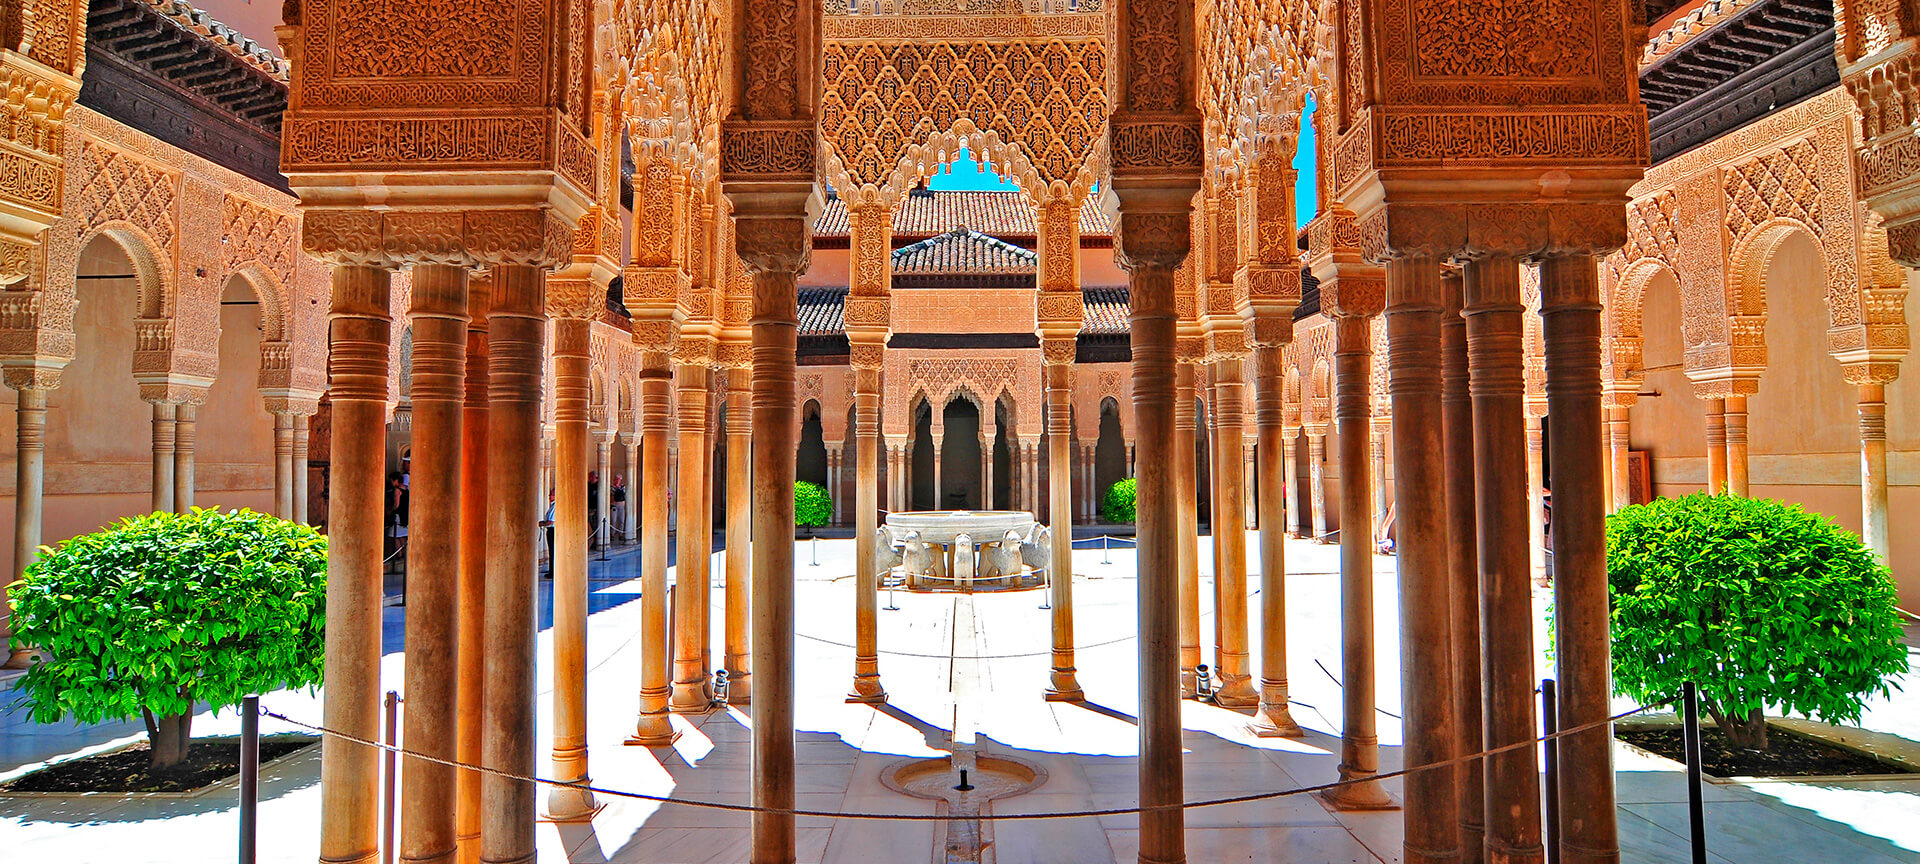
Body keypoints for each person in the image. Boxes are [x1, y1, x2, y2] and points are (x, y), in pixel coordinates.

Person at [541, 490, 556, 577]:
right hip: (550, 531)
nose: (549, 496)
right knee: (551, 551)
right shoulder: (552, 506)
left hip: (553, 531)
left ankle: (553, 572)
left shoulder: (555, 506)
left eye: (552, 494)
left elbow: (551, 521)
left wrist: (542, 523)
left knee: (553, 551)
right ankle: (552, 571)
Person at [610, 475, 628, 543]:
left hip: (621, 506)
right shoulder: (611, 487)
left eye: (619, 479)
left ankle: (621, 534)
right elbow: (613, 493)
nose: (617, 480)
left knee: (621, 520)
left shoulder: (623, 487)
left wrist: (618, 487)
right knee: (613, 521)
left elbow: (623, 493)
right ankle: (612, 534)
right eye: (616, 479)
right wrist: (616, 487)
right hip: (614, 505)